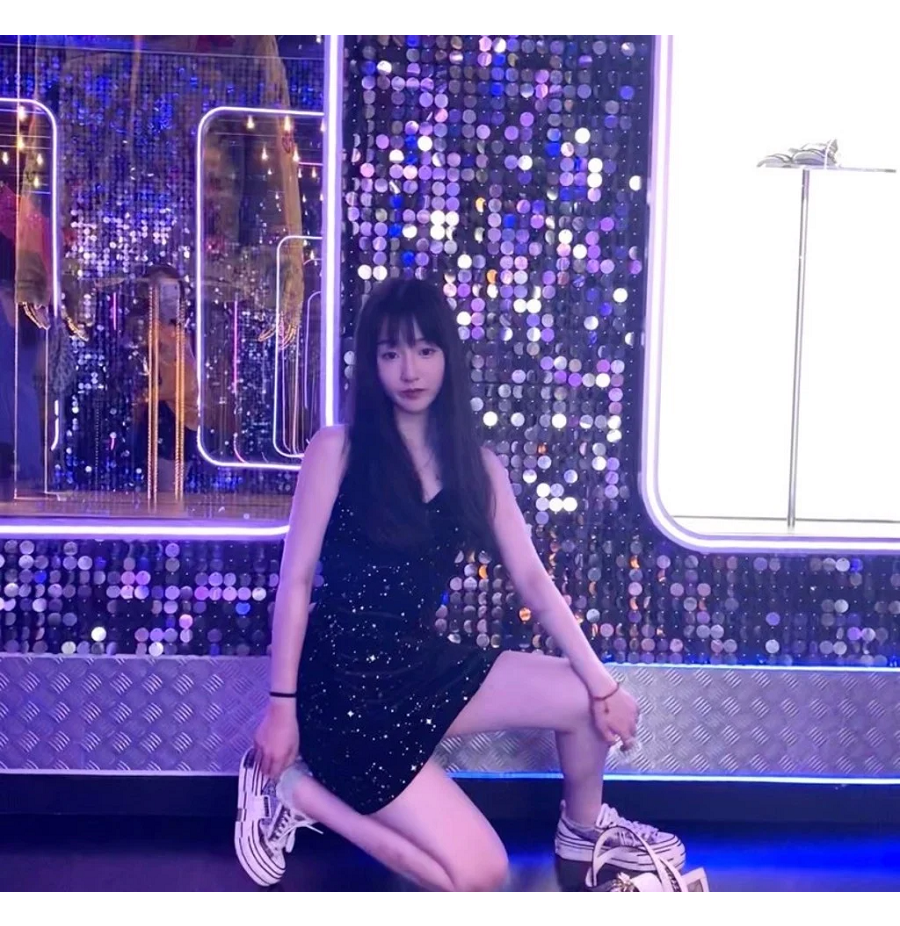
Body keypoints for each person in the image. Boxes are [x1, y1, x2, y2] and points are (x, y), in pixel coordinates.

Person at [235, 278, 685, 891]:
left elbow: (533, 580)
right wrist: (281, 709)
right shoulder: (336, 450)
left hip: (417, 666)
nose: (409, 370)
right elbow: (296, 584)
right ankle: (296, 793)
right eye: (390, 353)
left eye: (425, 350)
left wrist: (607, 686)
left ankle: (583, 838)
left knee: (582, 696)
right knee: (480, 877)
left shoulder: (478, 467)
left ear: (448, 356)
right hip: (343, 691)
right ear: (371, 365)